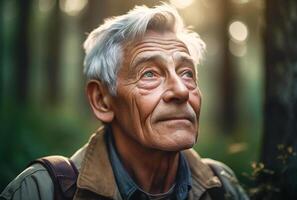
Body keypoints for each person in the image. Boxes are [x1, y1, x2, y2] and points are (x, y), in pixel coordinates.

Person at [1, 4, 248, 200]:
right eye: (149, 74)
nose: (181, 90)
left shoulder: (222, 185)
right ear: (102, 101)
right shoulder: (41, 190)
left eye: (187, 73)